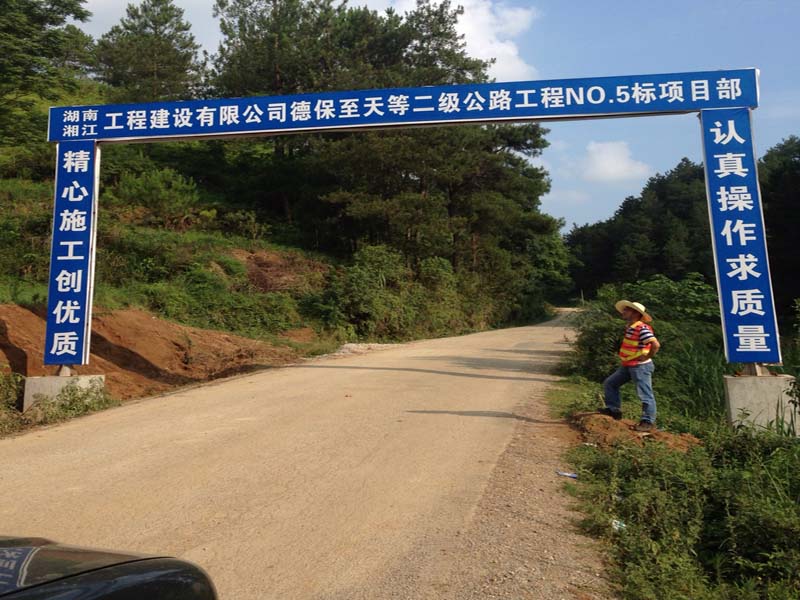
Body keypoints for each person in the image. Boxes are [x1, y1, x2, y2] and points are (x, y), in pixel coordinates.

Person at [597, 300, 661, 432]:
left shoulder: (642, 328)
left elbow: (656, 345)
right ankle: (613, 410)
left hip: (640, 366)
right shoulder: (631, 327)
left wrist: (647, 356)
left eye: (627, 310)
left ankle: (647, 422)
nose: (623, 312)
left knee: (645, 394)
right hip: (629, 364)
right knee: (610, 383)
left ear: (635, 313)